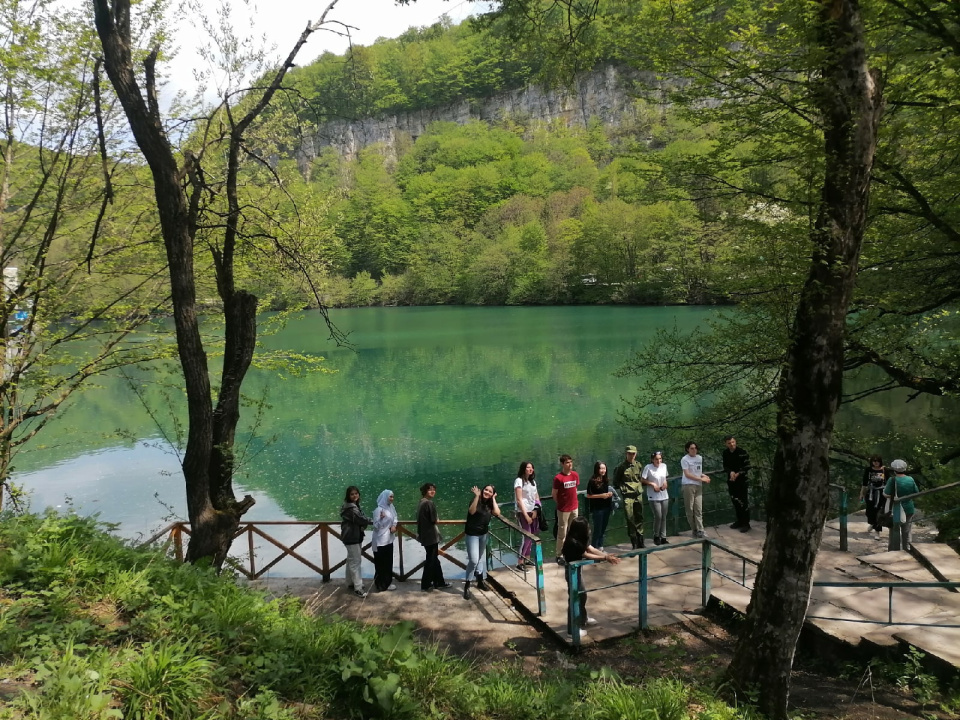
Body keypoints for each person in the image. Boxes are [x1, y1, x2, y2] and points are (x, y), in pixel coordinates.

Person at [561, 516, 622, 639]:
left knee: (582, 595)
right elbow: (586, 554)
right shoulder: (572, 542)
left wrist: (606, 555)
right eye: (587, 527)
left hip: (577, 570)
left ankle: (583, 619)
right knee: (574, 599)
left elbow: (590, 548)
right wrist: (605, 558)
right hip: (572, 571)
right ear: (580, 529)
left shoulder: (579, 538)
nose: (589, 528)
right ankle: (572, 631)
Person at [463, 485, 501, 599]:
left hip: (483, 535)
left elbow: (497, 513)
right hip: (472, 535)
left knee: (479, 558)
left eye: (490, 491)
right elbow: (471, 511)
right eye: (486, 490)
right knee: (474, 560)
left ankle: (480, 581)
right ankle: (467, 585)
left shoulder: (490, 504)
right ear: (482, 490)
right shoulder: (476, 500)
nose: (487, 492)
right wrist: (477, 496)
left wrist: (493, 499)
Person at [417, 483, 452, 591]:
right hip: (431, 535)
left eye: (434, 490)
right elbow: (434, 520)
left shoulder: (421, 502)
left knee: (434, 560)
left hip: (425, 535)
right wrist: (437, 518)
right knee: (431, 560)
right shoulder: (429, 503)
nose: (432, 491)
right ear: (425, 491)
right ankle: (426, 584)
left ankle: (439, 582)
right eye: (430, 490)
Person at [340, 486, 371, 598]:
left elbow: (359, 519)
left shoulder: (351, 507)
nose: (354, 496)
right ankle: (358, 588)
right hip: (352, 537)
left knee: (351, 560)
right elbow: (361, 519)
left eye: (356, 494)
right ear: (348, 496)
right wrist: (374, 521)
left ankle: (349, 582)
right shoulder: (351, 509)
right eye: (352, 494)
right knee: (356, 561)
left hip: (351, 536)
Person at [884, 459, 920, 551]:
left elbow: (885, 494)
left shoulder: (892, 480)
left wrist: (893, 497)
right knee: (906, 530)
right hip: (908, 508)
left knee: (893, 530)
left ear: (894, 470)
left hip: (895, 509)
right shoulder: (910, 479)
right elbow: (916, 493)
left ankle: (893, 550)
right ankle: (907, 550)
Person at [552, 454, 580, 565]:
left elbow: (575, 489)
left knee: (574, 532)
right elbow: (554, 494)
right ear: (562, 464)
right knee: (562, 533)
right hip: (563, 509)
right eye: (567, 462)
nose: (570, 464)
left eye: (571, 461)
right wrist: (560, 504)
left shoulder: (575, 475)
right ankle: (559, 555)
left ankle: (572, 551)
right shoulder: (558, 478)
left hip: (574, 507)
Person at [680, 441, 711, 538]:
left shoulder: (699, 458)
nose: (694, 450)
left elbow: (698, 471)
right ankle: (694, 529)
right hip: (688, 485)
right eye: (691, 448)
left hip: (698, 485)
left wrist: (704, 476)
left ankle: (700, 530)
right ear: (687, 449)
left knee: (698, 508)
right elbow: (688, 474)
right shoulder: (685, 459)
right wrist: (701, 479)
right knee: (690, 509)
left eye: (695, 448)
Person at [513, 461, 540, 569]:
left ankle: (527, 559)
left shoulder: (532, 482)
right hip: (523, 512)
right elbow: (519, 499)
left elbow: (536, 497)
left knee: (533, 534)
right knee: (527, 536)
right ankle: (520, 561)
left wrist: (536, 510)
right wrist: (526, 515)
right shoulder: (519, 481)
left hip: (532, 511)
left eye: (532, 468)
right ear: (523, 469)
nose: (530, 469)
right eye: (528, 467)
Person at [722, 435, 751, 532]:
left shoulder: (742, 452)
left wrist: (738, 474)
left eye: (733, 442)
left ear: (735, 442)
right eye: (729, 443)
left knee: (743, 501)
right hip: (731, 480)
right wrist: (731, 472)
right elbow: (725, 466)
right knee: (735, 501)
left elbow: (747, 466)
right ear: (726, 444)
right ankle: (739, 521)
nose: (731, 444)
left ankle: (746, 523)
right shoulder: (725, 453)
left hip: (742, 480)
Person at [371, 489, 398, 591]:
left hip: (389, 539)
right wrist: (381, 518)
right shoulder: (378, 510)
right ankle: (380, 584)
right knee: (380, 564)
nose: (392, 499)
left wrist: (394, 525)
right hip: (380, 541)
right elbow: (376, 526)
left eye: (392, 497)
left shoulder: (391, 507)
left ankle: (388, 582)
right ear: (385, 497)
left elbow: (395, 517)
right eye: (390, 497)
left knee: (388, 562)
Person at [641, 451, 670, 545]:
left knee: (664, 516)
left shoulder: (664, 466)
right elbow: (642, 479)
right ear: (652, 460)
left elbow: (665, 477)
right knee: (658, 516)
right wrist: (652, 484)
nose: (658, 461)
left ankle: (663, 537)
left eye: (660, 459)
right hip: (653, 495)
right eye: (656, 459)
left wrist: (665, 483)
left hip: (664, 494)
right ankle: (656, 536)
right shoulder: (648, 467)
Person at [585, 462, 614, 549]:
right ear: (597, 469)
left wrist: (609, 494)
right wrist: (601, 496)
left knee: (603, 529)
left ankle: (600, 546)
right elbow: (589, 495)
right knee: (597, 529)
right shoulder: (592, 481)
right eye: (601, 468)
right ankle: (594, 547)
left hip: (606, 507)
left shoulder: (605, 479)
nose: (603, 471)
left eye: (604, 468)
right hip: (597, 509)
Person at [860, 455, 889, 541]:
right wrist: (862, 494)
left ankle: (877, 531)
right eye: (874, 461)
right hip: (871, 493)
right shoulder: (868, 470)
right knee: (869, 511)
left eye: (877, 461)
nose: (876, 462)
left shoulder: (884, 470)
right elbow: (864, 483)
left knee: (878, 512)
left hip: (881, 493)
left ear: (880, 461)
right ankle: (872, 523)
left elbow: (889, 482)